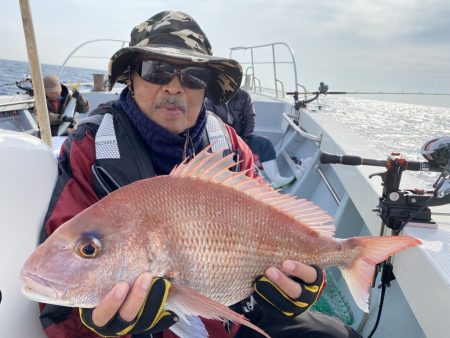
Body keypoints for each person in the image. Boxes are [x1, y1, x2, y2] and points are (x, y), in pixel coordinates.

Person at [38, 10, 360, 338]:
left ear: (206, 88)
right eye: (156, 69)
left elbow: (277, 222)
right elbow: (59, 306)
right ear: (131, 77)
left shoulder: (231, 146)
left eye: (193, 76)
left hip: (234, 318)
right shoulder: (91, 149)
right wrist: (98, 325)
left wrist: (305, 284)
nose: (175, 87)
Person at [205, 88, 295, 189]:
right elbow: (210, 122)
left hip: (243, 137)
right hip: (221, 139)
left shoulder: (243, 95)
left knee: (264, 143)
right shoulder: (210, 98)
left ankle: (276, 179)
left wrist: (244, 140)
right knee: (223, 156)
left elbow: (250, 118)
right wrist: (227, 142)